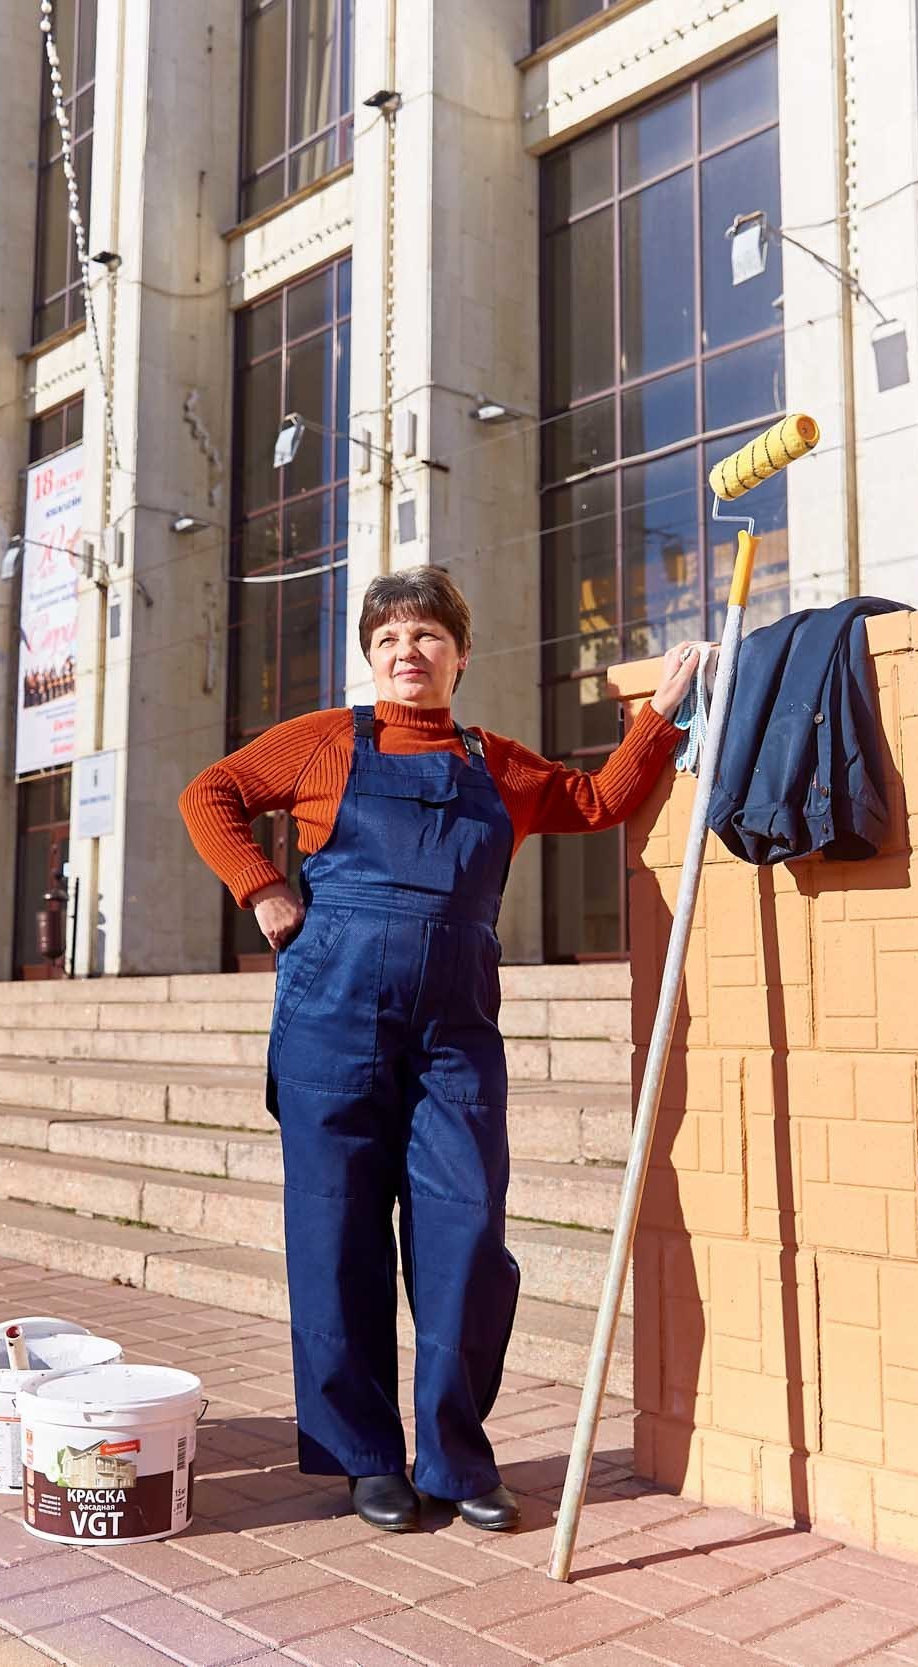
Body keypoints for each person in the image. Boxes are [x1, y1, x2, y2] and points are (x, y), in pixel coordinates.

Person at [179, 565, 705, 1533]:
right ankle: (366, 1456)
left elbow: (596, 800)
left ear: (459, 654)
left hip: (453, 1037)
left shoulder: (493, 763)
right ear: (371, 657)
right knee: (334, 1236)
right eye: (387, 639)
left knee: (465, 1234)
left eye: (424, 636)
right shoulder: (326, 741)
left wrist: (662, 715)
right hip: (330, 1021)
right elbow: (209, 792)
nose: (405, 651)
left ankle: (455, 1453)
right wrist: (262, 886)